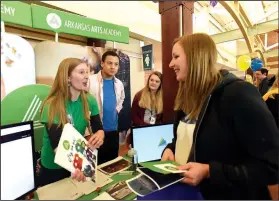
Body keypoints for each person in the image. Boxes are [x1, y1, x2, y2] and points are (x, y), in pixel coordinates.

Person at [161, 33, 279, 199]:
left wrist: (210, 171)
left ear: (196, 57)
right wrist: (171, 149)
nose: (170, 63)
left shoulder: (238, 94)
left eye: (176, 56)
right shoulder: (188, 98)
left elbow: (271, 166)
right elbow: (191, 138)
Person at [39, 58, 105, 186]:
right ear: (68, 78)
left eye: (87, 72)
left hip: (76, 160)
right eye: (81, 72)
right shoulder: (52, 105)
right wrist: (78, 165)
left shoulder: (89, 100)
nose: (87, 76)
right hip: (53, 166)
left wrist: (99, 136)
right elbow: (58, 146)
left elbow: (99, 128)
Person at [87, 50, 125, 164]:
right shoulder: (90, 81)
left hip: (113, 131)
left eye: (116, 64)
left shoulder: (119, 84)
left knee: (112, 163)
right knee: (96, 165)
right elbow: (83, 103)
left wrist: (116, 110)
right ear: (102, 63)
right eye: (109, 63)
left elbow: (121, 99)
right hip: (96, 132)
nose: (113, 67)